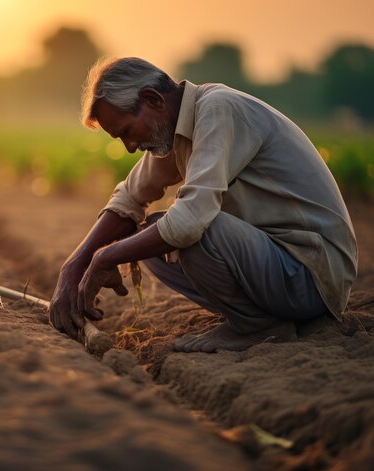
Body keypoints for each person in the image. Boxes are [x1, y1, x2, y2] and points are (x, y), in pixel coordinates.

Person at [49, 57, 358, 353]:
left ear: (153, 100)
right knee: (151, 232)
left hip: (312, 276)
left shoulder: (218, 109)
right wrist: (74, 266)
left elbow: (190, 221)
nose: (130, 148)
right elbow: (129, 199)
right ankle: (256, 316)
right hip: (278, 271)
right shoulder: (174, 129)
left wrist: (105, 258)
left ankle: (257, 325)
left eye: (127, 132)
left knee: (192, 230)